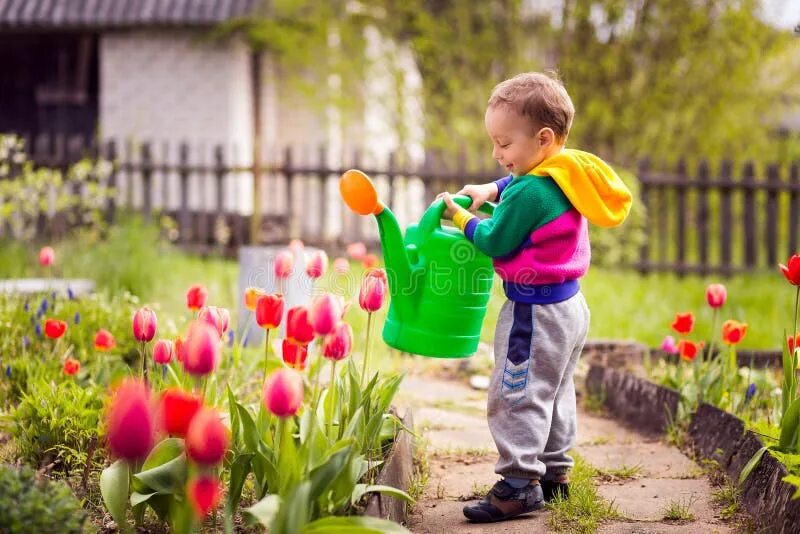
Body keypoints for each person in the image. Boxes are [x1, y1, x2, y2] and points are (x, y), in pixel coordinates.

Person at [439, 71, 632, 523]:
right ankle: (554, 474)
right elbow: (523, 186)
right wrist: (491, 187)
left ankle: (519, 486)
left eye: (504, 144)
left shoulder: (531, 188)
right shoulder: (568, 168)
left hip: (533, 309)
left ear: (543, 138)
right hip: (569, 307)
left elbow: (495, 240)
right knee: (557, 389)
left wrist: (462, 215)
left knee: (517, 392)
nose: (497, 153)